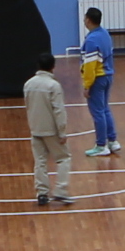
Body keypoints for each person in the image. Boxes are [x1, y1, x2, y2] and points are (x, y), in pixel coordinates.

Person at [23, 54, 73, 207]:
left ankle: (42, 193)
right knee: (64, 158)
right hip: (51, 130)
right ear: (53, 66)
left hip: (35, 128)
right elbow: (59, 110)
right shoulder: (53, 86)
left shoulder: (28, 84)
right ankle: (61, 190)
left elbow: (28, 106)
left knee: (40, 161)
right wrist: (62, 131)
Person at [76, 6, 119, 156]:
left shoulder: (91, 40)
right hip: (108, 76)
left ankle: (101, 145)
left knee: (98, 112)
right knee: (105, 109)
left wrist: (87, 85)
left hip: (97, 79)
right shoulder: (104, 34)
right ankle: (112, 141)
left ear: (88, 20)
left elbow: (90, 66)